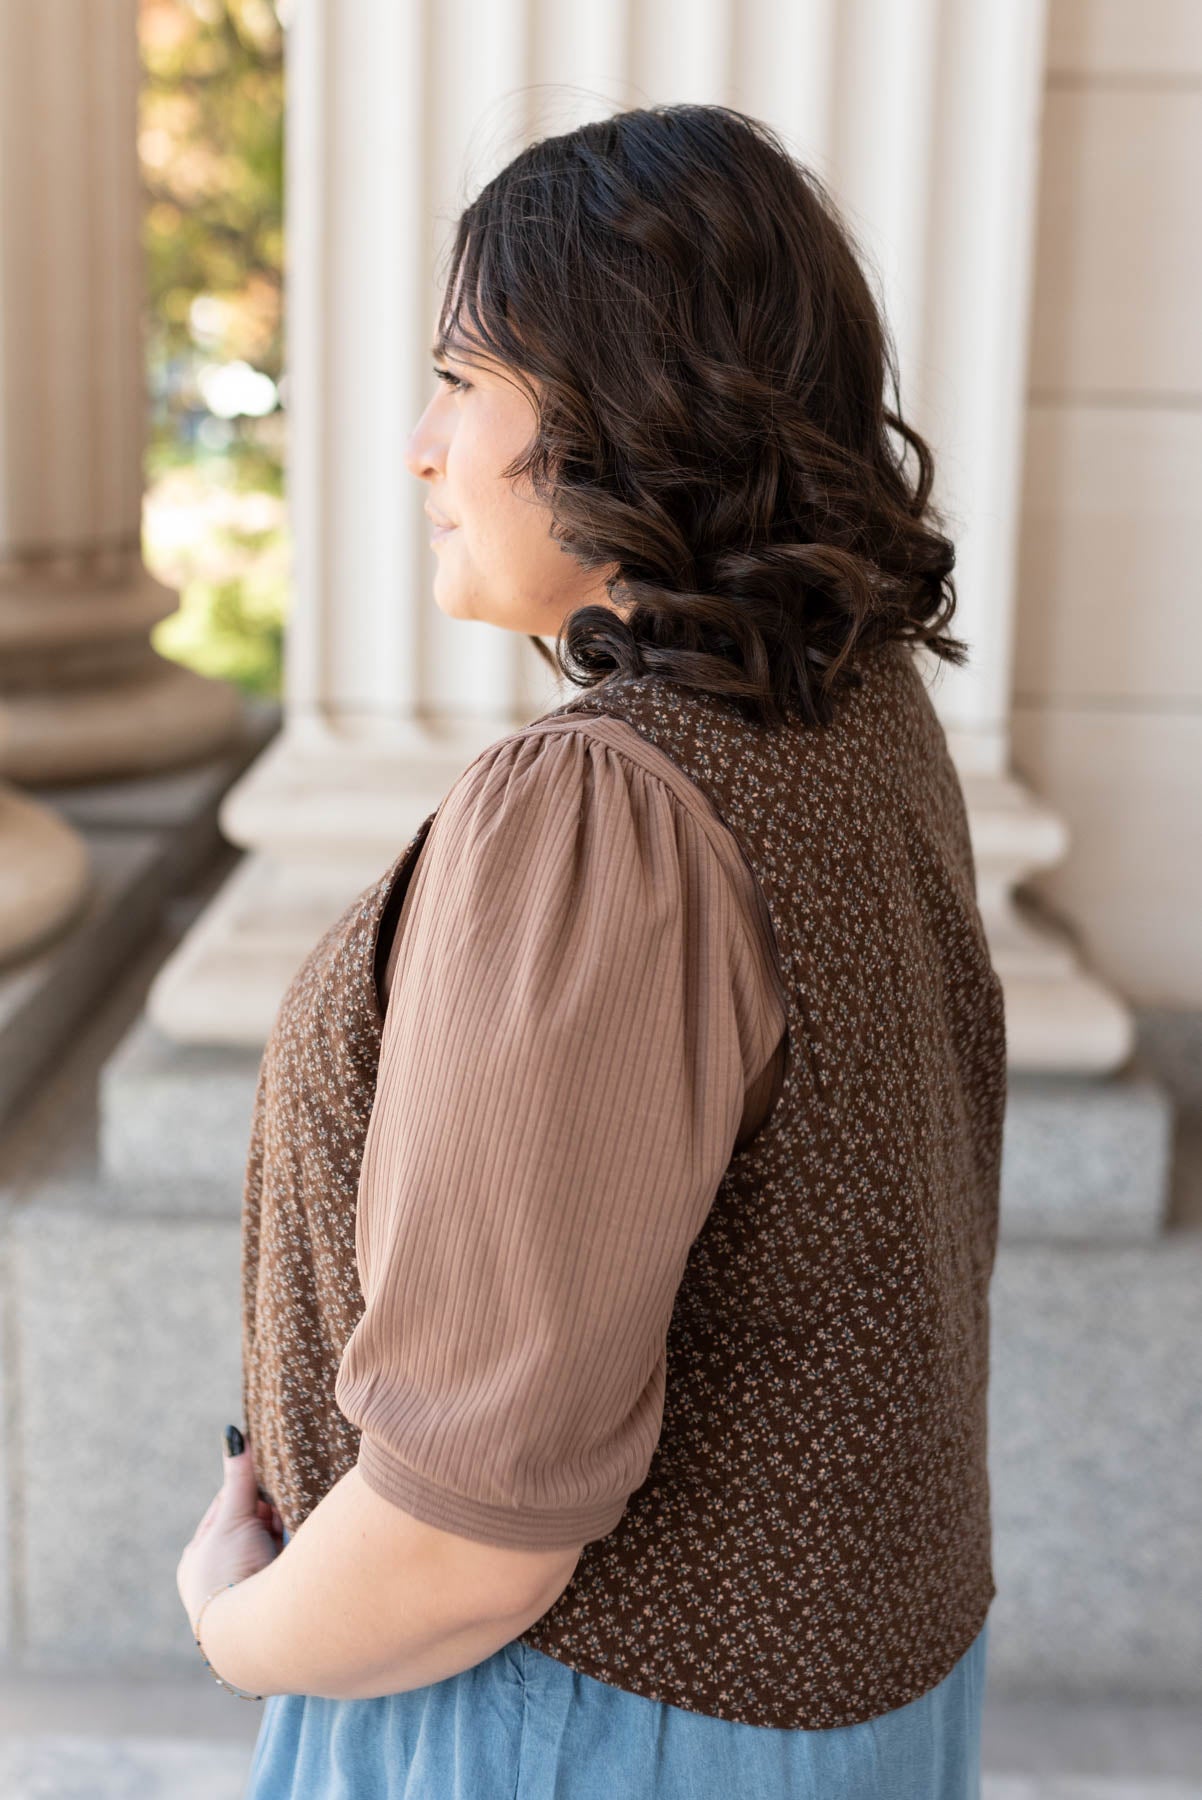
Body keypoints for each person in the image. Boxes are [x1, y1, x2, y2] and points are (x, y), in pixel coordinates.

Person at [175, 102, 1005, 1799]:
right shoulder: (849, 719)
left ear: (633, 416)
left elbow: (462, 1539)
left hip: (567, 1720)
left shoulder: (601, 814)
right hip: (846, 1700)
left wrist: (229, 1625)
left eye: (465, 381)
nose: (419, 444)